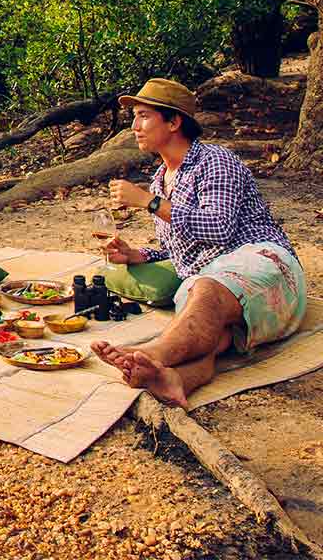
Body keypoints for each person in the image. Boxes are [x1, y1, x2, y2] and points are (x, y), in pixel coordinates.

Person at [92, 78, 306, 407]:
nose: (134, 127)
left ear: (174, 122)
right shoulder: (160, 181)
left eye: (144, 116)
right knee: (210, 332)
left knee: (205, 290)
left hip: (261, 263)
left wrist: (149, 202)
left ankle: (150, 354)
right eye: (134, 117)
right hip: (210, 284)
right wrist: (137, 254)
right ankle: (177, 380)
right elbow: (181, 249)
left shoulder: (215, 162)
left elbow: (218, 229)